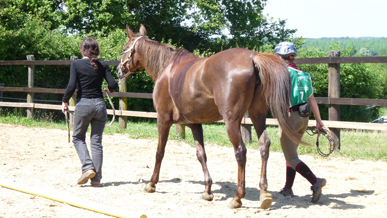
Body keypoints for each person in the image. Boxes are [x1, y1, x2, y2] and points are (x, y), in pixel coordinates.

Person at [274, 41, 327, 203]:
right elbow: (312, 99)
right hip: (304, 117)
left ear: (279, 57)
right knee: (292, 155)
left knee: (291, 157)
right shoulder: (305, 75)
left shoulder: (283, 74)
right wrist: (319, 121)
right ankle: (288, 188)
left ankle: (315, 181)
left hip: (290, 117)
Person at [62, 38, 118, 187]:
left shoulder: (76, 64)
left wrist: (64, 101)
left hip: (84, 105)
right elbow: (113, 84)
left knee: (78, 138)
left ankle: (87, 168)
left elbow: (71, 86)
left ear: (82, 50)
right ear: (96, 50)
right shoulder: (103, 65)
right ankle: (96, 179)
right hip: (100, 105)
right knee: (96, 141)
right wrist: (107, 89)